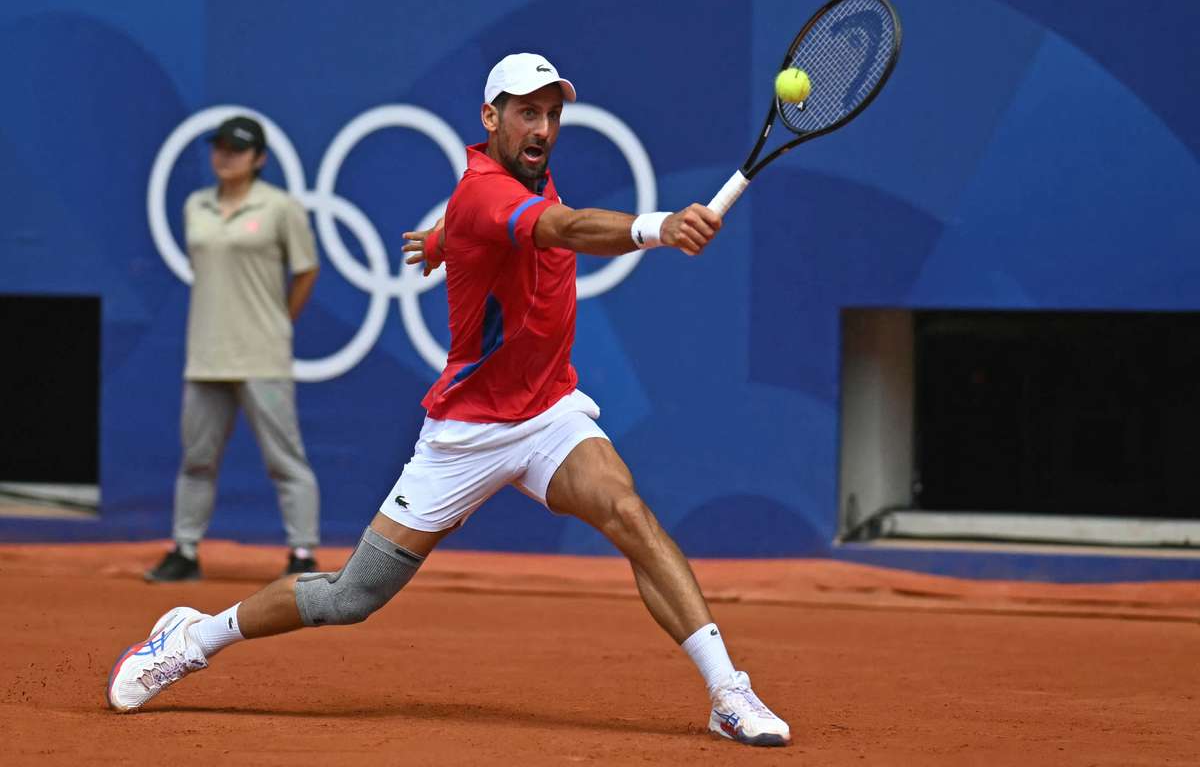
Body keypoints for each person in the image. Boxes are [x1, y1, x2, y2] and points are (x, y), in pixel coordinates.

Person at [109, 55, 790, 747]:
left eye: (553, 114)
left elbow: (500, 227)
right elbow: (565, 227)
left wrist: (440, 243)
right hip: (465, 432)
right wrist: (658, 227)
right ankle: (193, 637)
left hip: (548, 414)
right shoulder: (486, 194)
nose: (544, 127)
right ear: (490, 117)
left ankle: (727, 691)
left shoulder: (521, 175)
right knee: (352, 597)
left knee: (628, 512)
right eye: (527, 111)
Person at [144, 116, 322, 582]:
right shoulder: (195, 206)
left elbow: (306, 269)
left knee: (285, 459)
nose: (225, 155)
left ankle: (302, 552)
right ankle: (184, 549)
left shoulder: (281, 207)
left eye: (237, 149)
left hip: (262, 353)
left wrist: (280, 322)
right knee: (197, 459)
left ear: (259, 159)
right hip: (205, 352)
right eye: (219, 147)